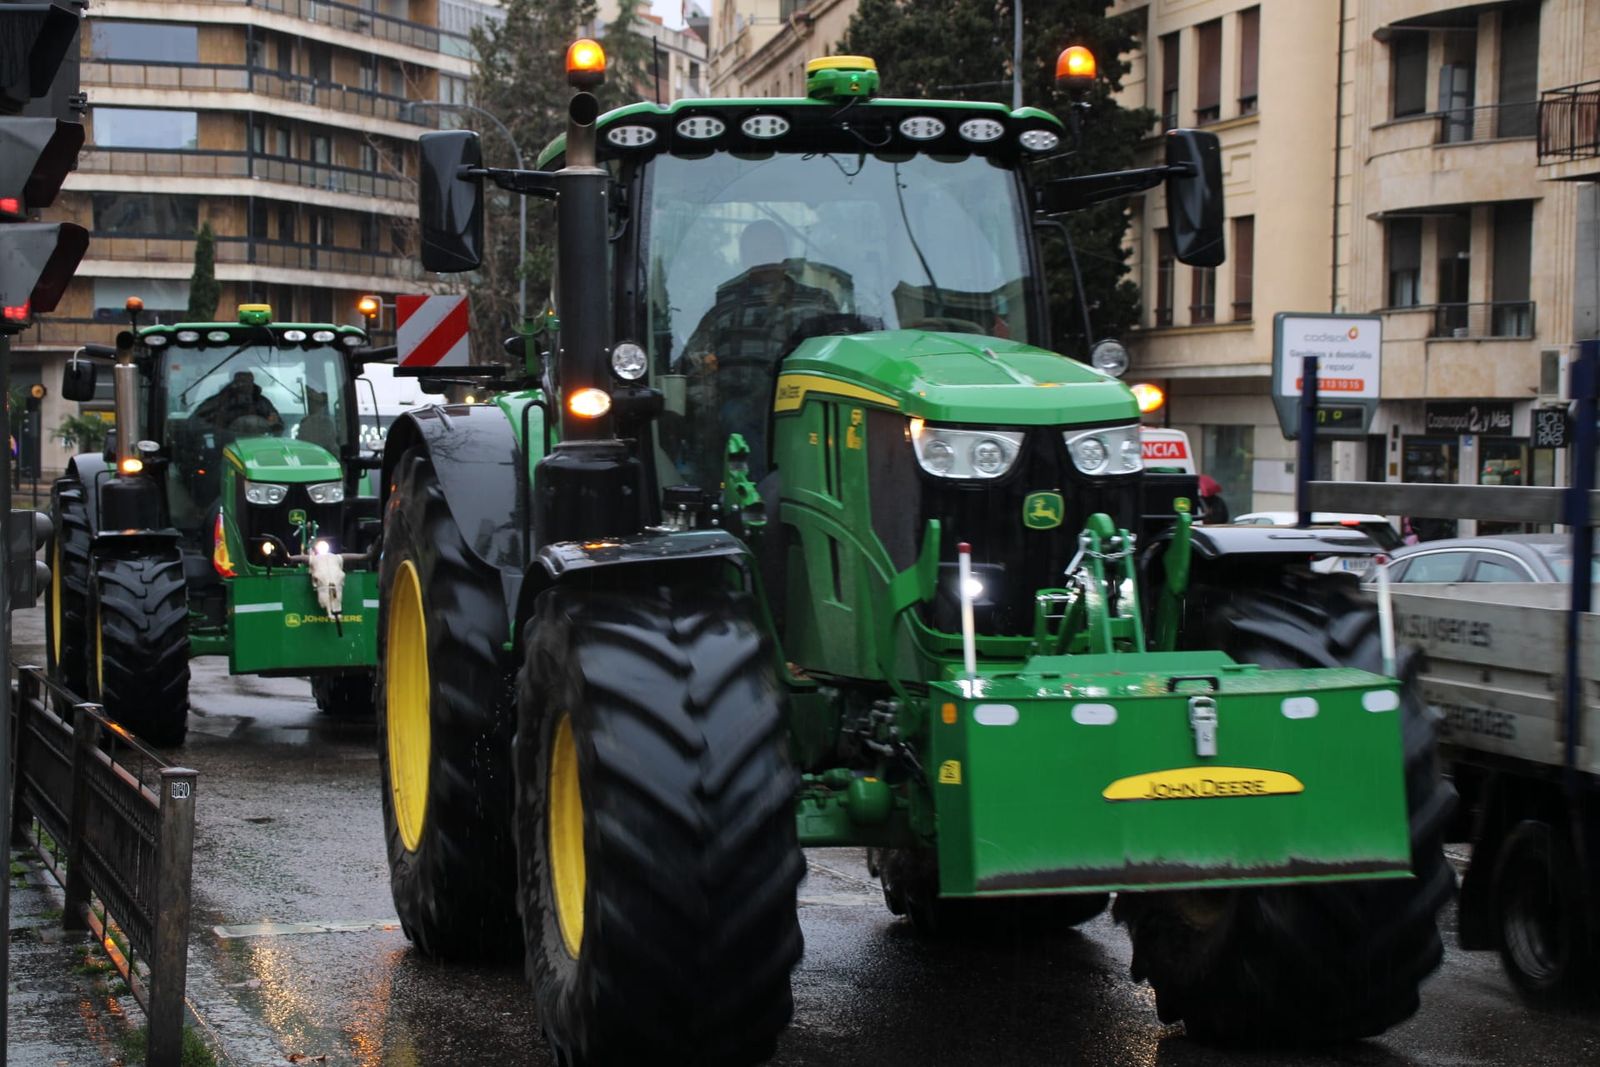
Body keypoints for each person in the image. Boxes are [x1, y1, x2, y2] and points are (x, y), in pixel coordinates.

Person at [673, 220, 839, 486]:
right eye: (755, 249)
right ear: (744, 256)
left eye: (770, 248)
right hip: (740, 403)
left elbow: (838, 355)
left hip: (807, 404)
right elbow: (694, 358)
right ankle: (755, 501)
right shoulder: (725, 303)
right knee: (736, 419)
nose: (763, 255)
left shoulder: (817, 302)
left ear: (784, 252)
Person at [194, 370, 283, 436]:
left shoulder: (262, 403)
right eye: (240, 381)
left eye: (247, 381)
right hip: (224, 446)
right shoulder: (218, 402)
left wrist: (272, 423)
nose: (243, 385)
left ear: (252, 382)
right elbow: (196, 422)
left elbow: (278, 426)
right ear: (233, 382)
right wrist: (217, 424)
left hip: (258, 444)